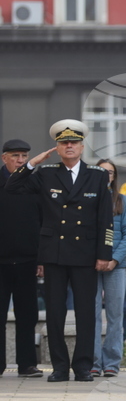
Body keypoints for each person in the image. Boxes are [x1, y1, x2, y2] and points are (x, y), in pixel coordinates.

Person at [5, 120, 114, 382]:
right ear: (57, 147)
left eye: (73, 142)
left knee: (87, 313)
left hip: (86, 254)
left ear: (81, 146)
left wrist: (104, 254)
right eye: (64, 143)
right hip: (54, 253)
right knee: (55, 313)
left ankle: (84, 366)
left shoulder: (97, 176)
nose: (69, 146)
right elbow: (12, 187)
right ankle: (61, 367)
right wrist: (32, 163)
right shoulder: (46, 173)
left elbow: (105, 220)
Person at [0, 138, 43, 378]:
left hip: (28, 260)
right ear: (4, 157)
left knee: (27, 315)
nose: (20, 160)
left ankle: (26, 364)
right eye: (15, 156)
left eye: (24, 156)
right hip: (1, 261)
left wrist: (41, 259)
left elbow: (43, 220)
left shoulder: (35, 183)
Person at [92, 159, 126, 378]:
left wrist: (115, 259)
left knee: (115, 315)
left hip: (117, 267)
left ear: (114, 176)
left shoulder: (122, 201)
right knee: (90, 315)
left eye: (110, 172)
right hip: (90, 266)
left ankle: (111, 362)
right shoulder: (87, 198)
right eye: (102, 171)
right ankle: (93, 361)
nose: (106, 175)